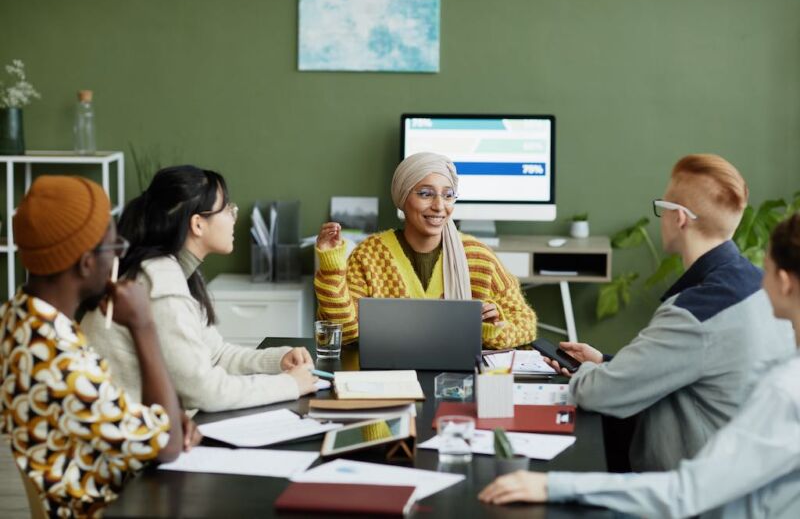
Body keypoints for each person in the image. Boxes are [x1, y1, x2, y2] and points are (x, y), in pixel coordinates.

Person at [480, 212, 800, 518]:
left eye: (766, 270)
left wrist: (552, 485)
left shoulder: (784, 393)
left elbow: (685, 493)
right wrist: (607, 363)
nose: (757, 281)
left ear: (784, 283)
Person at [542, 154, 796, 472]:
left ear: (679, 218)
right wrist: (607, 364)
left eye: (661, 207)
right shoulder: (760, 285)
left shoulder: (695, 312)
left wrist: (588, 375)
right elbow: (693, 366)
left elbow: (597, 394)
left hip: (690, 490)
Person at [0, 176, 201, 518]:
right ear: (86, 262)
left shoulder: (19, 320)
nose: (119, 257)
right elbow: (166, 445)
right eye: (114, 248)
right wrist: (143, 325)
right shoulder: (57, 360)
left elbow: (97, 411)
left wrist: (157, 419)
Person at [81, 166, 316, 412]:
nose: (234, 217)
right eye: (227, 209)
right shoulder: (159, 281)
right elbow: (205, 392)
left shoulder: (179, 274)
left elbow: (216, 355)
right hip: (129, 435)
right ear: (198, 225)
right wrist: (288, 385)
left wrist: (278, 360)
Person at [314, 152, 537, 349]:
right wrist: (331, 266)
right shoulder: (368, 256)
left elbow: (525, 323)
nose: (439, 206)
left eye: (448, 195)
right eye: (425, 194)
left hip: (456, 381)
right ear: (403, 199)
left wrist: (493, 328)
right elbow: (345, 333)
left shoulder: (479, 257)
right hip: (390, 376)